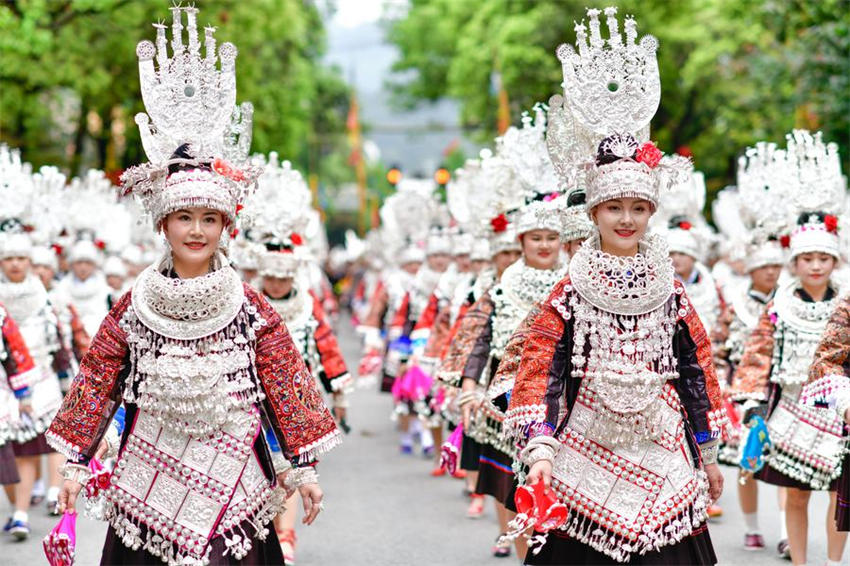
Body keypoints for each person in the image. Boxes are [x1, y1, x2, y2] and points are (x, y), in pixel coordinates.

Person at [47, 7, 339, 564]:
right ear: (163, 223)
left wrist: (303, 470)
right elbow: (99, 382)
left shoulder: (248, 305)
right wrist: (75, 466)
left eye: (210, 218)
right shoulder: (135, 303)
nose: (197, 230)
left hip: (234, 476)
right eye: (185, 218)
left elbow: (283, 383)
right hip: (147, 477)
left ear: (226, 226)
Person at [502, 9, 726, 564]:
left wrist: (710, 452)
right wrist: (540, 450)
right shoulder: (568, 292)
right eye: (614, 208)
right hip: (583, 449)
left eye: (637, 208)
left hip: (664, 449)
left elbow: (696, 365)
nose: (626, 219)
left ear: (651, 212)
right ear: (595, 212)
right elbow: (541, 369)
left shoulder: (670, 288)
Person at [731, 130, 847, 566]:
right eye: (807, 259)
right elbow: (758, 355)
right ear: (794, 263)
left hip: (839, 414)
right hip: (790, 411)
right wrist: (752, 403)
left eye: (823, 258)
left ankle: (835, 564)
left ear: (834, 260)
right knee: (795, 495)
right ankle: (799, 562)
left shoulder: (847, 304)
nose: (815, 266)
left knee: (840, 498)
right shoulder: (778, 306)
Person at [0, 233, 71, 534]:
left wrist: (67, 378)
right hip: (5, 384)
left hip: (43, 378)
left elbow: (59, 340)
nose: (15, 264)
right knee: (17, 449)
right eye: (8, 259)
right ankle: (21, 508)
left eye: (21, 258)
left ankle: (50, 494)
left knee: (49, 439)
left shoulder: (45, 296)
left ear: (29, 262)